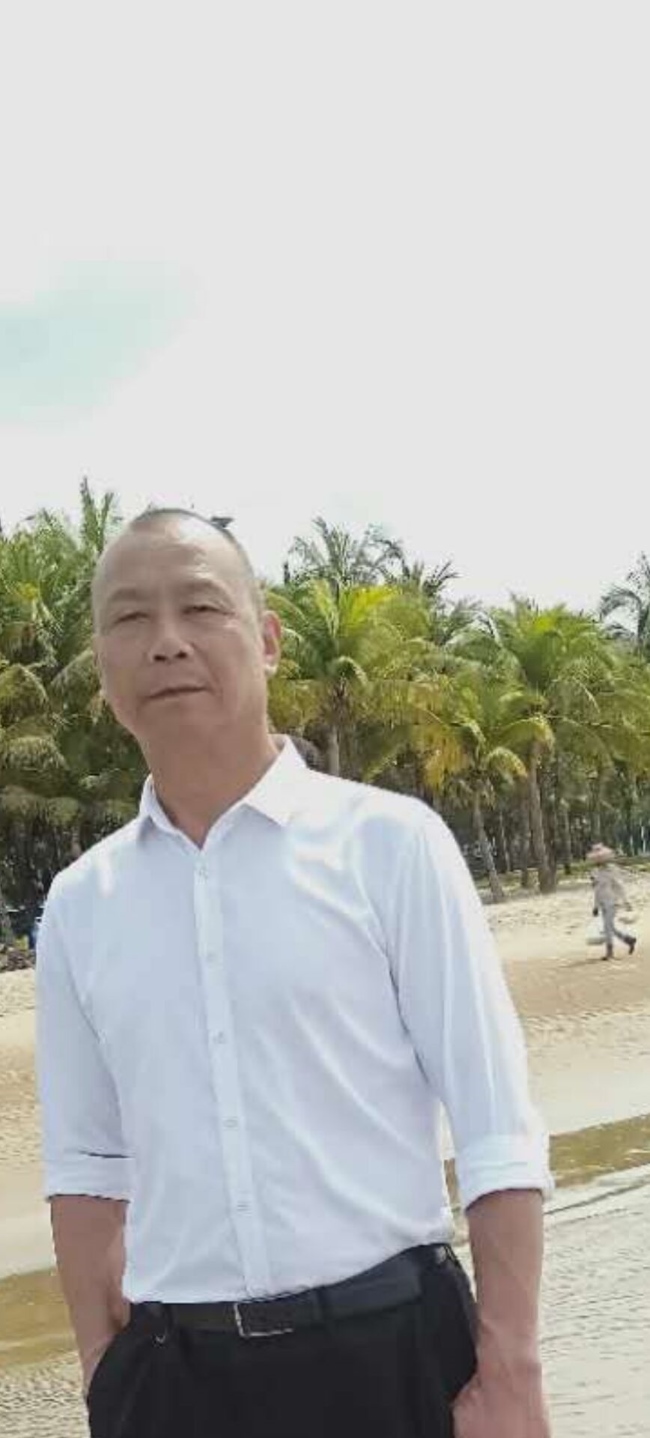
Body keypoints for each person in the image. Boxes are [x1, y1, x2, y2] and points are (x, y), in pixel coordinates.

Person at [36, 509, 552, 1438]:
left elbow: (495, 1125)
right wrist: (103, 1374)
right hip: (177, 1380)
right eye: (129, 619)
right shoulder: (81, 904)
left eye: (201, 607)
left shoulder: (391, 845)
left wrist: (511, 1367)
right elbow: (86, 1164)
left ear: (268, 641)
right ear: (104, 671)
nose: (166, 643)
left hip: (395, 1355)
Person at [588, 843, 637, 961]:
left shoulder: (612, 870)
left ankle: (609, 952)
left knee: (607, 927)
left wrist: (626, 901)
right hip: (603, 904)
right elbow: (597, 891)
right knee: (609, 927)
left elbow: (619, 886)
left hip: (613, 902)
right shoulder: (595, 872)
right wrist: (596, 906)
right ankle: (628, 940)